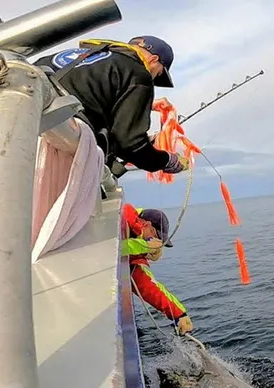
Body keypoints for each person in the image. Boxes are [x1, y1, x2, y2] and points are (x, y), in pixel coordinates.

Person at [33, 35, 189, 177]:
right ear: (153, 60)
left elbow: (82, 92)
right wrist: (167, 161)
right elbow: (131, 146)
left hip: (23, 125)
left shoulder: (80, 55)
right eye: (159, 75)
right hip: (55, 152)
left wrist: (145, 108)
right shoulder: (138, 73)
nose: (153, 79)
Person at [121, 203, 193, 335]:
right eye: (156, 236)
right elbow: (110, 249)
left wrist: (179, 313)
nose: (157, 243)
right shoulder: (123, 218)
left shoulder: (134, 257)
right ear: (147, 225)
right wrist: (144, 246)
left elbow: (149, 286)